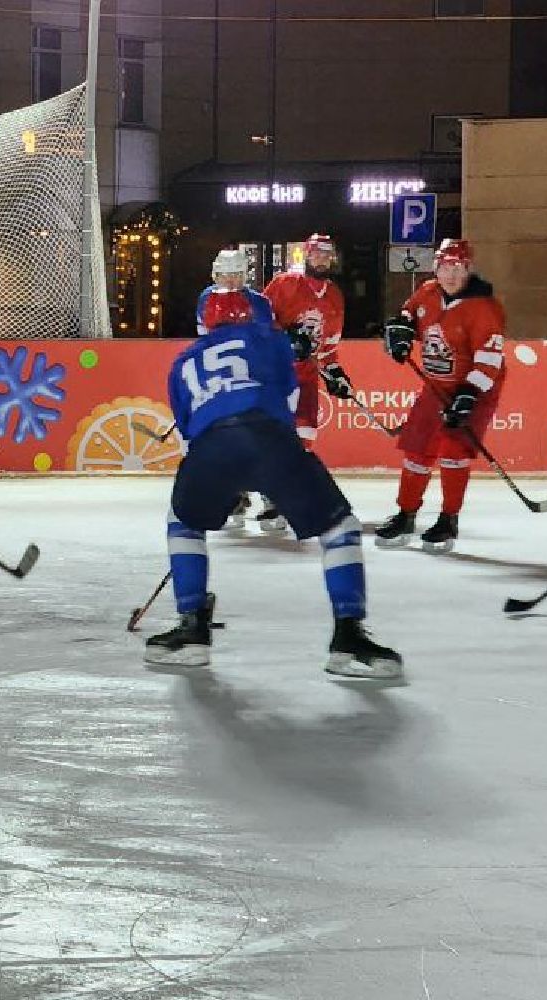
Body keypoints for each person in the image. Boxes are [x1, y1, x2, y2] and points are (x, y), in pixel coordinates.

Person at [144, 289, 402, 678]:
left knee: (183, 521)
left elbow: (189, 438)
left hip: (209, 450)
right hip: (268, 439)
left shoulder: (182, 363)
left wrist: (222, 488)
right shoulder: (269, 339)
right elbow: (288, 403)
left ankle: (192, 626)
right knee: (339, 528)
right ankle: (349, 635)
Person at [373, 237, 507, 553]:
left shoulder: (484, 309)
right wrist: (400, 333)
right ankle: (406, 514)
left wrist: (468, 395)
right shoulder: (428, 292)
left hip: (475, 388)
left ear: (469, 270)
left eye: (459, 268)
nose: (451, 275)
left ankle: (448, 519)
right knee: (418, 451)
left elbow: (489, 358)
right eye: (446, 267)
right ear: (436, 268)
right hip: (435, 386)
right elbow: (407, 316)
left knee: (453, 451)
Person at [251, 232, 352, 533]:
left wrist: (336, 374)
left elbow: (329, 348)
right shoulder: (284, 285)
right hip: (274, 375)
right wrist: (285, 337)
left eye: (327, 254)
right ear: (306, 255)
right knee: (271, 437)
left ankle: (288, 494)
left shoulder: (334, 295)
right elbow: (259, 323)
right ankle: (269, 496)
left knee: (304, 437)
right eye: (316, 253)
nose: (321, 259)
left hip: (307, 377)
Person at [194, 247, 276, 532]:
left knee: (260, 440)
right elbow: (204, 343)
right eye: (225, 275)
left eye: (236, 275)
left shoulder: (259, 303)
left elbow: (266, 342)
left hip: (253, 382)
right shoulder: (206, 298)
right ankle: (236, 496)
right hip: (223, 384)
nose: (230, 281)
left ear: (245, 275)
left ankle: (272, 497)